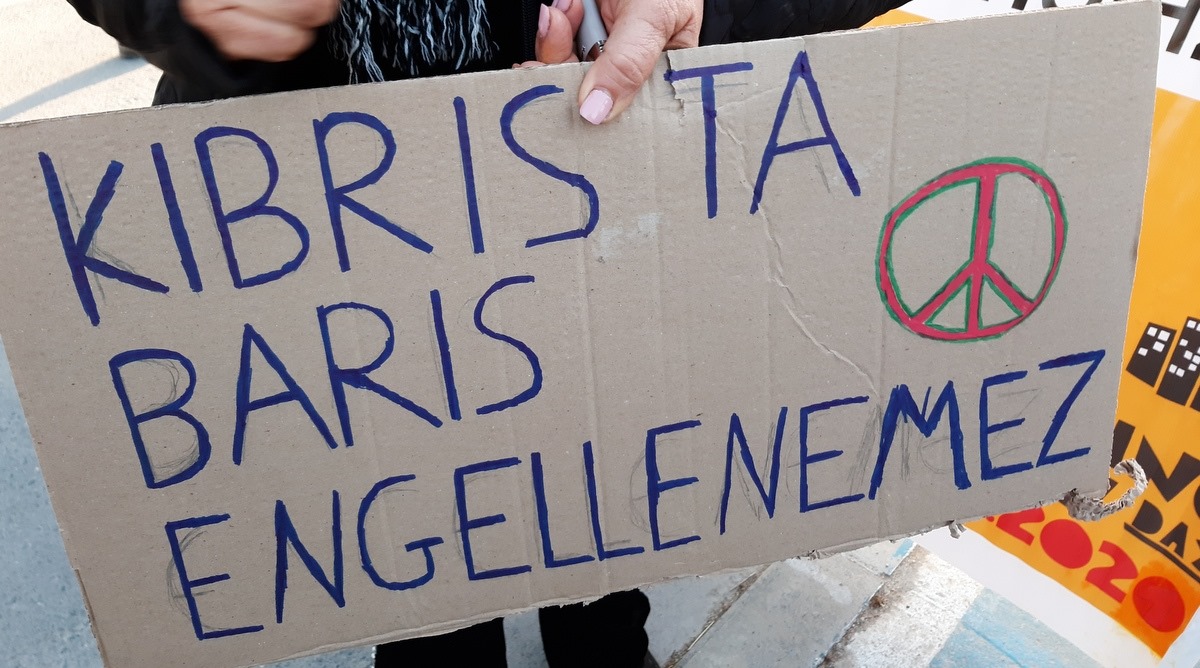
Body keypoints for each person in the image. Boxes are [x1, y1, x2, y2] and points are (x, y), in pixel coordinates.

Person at [63, 0, 910, 666]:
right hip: (303, 216)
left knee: (602, 470)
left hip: (588, 159)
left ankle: (602, 643)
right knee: (410, 527)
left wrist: (705, 7)